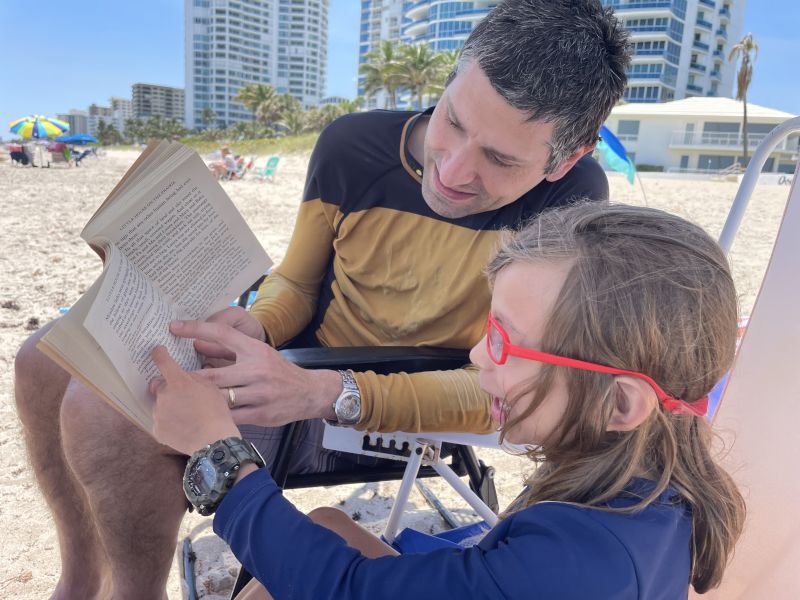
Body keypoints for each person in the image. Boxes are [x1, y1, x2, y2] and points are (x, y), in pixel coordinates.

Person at [13, 1, 630, 597]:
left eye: (498, 158)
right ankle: (81, 576)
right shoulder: (352, 145)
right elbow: (300, 281)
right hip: (297, 365)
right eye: (453, 121)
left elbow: (522, 389)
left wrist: (326, 390)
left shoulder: (572, 205)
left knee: (104, 408)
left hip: (391, 408)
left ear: (566, 158)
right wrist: (258, 327)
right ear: (449, 80)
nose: (453, 170)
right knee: (42, 359)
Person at [150, 202, 746, 599]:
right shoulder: (641, 492)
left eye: (505, 341)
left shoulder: (584, 569)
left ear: (619, 405)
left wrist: (220, 457)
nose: (480, 358)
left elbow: (346, 589)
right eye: (488, 329)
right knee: (330, 523)